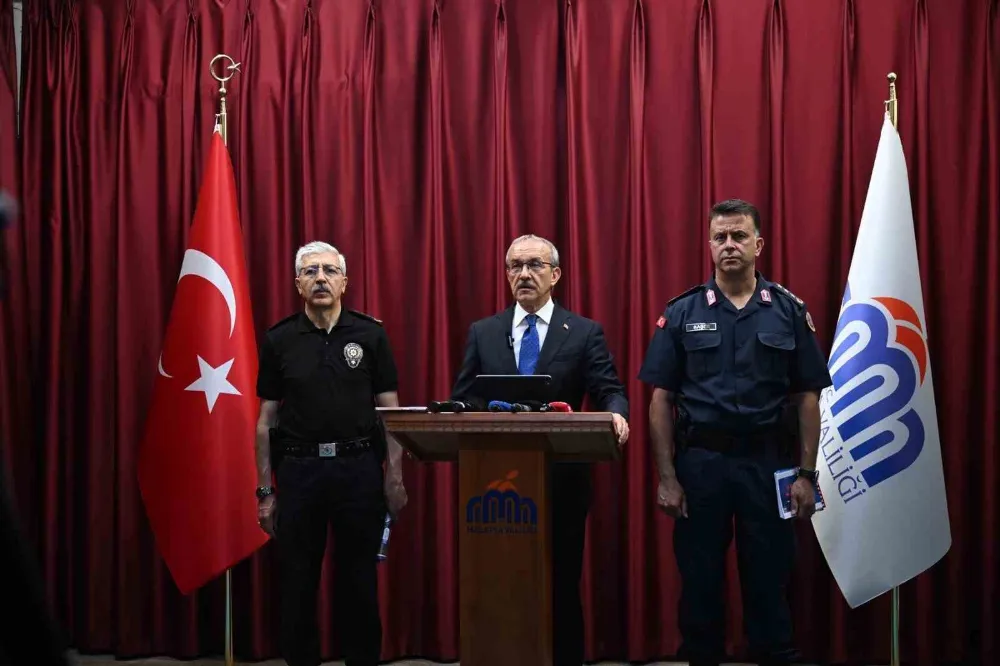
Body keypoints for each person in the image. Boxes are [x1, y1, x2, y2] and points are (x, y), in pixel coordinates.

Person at [638, 199, 833, 666]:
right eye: (720, 237)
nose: (729, 245)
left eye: (739, 236)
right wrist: (667, 478)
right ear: (709, 245)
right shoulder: (682, 312)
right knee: (700, 580)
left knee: (770, 578)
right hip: (701, 466)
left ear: (758, 244)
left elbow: (808, 397)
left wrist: (807, 474)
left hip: (768, 465)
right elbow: (660, 400)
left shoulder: (787, 310)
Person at [451, 233, 629, 666]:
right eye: (515, 266)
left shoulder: (583, 332)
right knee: (500, 581)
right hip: (495, 484)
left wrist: (617, 414)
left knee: (561, 581)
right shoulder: (484, 332)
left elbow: (609, 390)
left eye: (534, 265)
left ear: (556, 274)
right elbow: (465, 397)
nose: (524, 274)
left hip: (562, 478)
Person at [254, 241, 408, 666]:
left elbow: (391, 413)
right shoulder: (279, 339)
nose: (320, 278)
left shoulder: (370, 335)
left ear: (344, 282)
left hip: (358, 471)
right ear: (297, 284)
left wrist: (394, 475)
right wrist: (265, 491)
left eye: (329, 271)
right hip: (299, 472)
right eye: (310, 271)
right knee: (297, 582)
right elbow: (266, 420)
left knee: (359, 582)